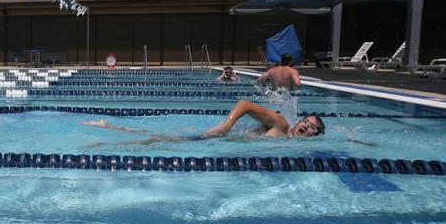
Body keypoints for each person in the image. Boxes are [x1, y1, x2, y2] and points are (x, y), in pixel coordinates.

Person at [81, 99, 325, 144]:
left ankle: (109, 127)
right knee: (162, 141)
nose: (305, 125)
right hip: (222, 138)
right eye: (306, 120)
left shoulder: (293, 143)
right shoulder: (281, 125)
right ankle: (109, 139)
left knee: (169, 140)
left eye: (311, 127)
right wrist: (226, 126)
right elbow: (245, 104)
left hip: (226, 144)